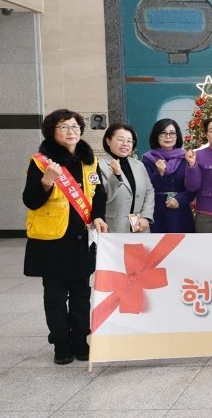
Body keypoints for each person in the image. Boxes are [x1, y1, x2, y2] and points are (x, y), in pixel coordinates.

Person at [23, 109, 108, 365]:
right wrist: (46, 182)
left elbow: (98, 193)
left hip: (81, 239)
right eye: (64, 127)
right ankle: (61, 343)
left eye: (75, 126)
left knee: (81, 294)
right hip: (52, 242)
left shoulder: (89, 160)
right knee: (55, 296)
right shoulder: (41, 162)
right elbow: (31, 200)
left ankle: (81, 340)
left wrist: (98, 216)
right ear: (52, 132)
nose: (71, 131)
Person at [99, 123, 155, 233]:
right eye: (120, 140)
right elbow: (102, 197)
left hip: (140, 227)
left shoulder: (139, 165)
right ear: (108, 141)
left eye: (129, 141)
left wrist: (146, 216)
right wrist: (116, 175)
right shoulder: (99, 165)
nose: (125, 144)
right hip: (113, 228)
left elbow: (149, 191)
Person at [142, 119, 195, 233]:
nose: (168, 137)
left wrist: (180, 200)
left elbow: (193, 186)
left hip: (181, 212)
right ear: (156, 135)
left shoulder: (186, 158)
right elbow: (145, 189)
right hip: (157, 212)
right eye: (163, 133)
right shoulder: (147, 159)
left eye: (172, 133)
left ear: (177, 136)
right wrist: (159, 173)